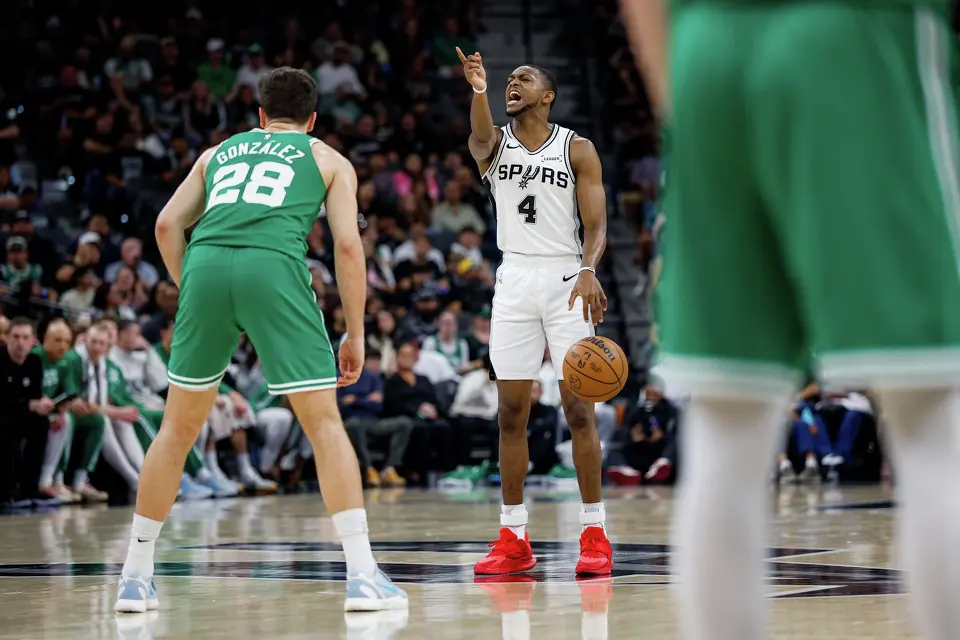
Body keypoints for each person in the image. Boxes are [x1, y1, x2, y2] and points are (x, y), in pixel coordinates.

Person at [621, 1, 960, 638]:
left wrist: (687, 102)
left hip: (704, 49)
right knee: (931, 418)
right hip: (853, 41)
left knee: (724, 429)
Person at [114, 67, 406, 613]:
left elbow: (163, 225)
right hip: (273, 269)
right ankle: (363, 575)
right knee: (323, 425)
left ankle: (134, 576)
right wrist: (357, 332)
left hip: (203, 265)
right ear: (313, 119)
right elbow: (347, 246)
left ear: (261, 116)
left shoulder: (217, 153)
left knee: (175, 430)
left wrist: (198, 288)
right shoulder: (327, 159)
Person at [457, 48, 612, 576]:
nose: (512, 84)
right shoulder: (494, 144)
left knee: (578, 411)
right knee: (510, 414)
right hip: (515, 278)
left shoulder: (577, 148)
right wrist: (478, 89)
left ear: (547, 95)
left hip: (567, 276)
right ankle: (513, 537)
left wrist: (589, 269)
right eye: (508, 80)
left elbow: (596, 226)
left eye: (524, 79)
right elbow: (479, 135)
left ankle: (594, 533)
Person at [0, 318, 53, 510]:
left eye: (25, 337)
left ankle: (32, 488)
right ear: (6, 338)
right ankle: (8, 493)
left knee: (42, 423)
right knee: (5, 428)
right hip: (4, 415)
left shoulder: (34, 361)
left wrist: (47, 404)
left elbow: (36, 395)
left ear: (33, 341)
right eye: (15, 337)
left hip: (22, 414)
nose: (20, 342)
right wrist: (30, 404)